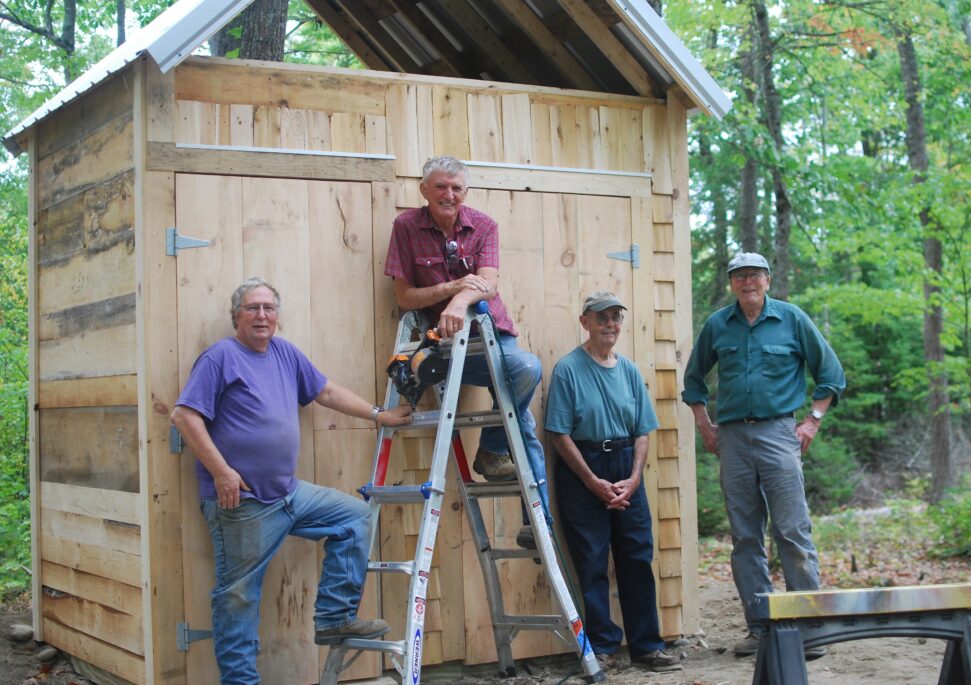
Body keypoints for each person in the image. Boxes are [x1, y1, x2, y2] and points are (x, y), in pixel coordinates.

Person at [171, 277, 412, 685]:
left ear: (277, 316)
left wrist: (378, 415)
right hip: (242, 503)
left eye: (268, 308)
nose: (261, 315)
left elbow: (327, 392)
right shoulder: (220, 358)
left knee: (354, 517)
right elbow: (183, 416)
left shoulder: (285, 353)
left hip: (288, 494)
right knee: (238, 599)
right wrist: (222, 471)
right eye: (252, 308)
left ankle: (334, 619)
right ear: (236, 316)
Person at [682, 252, 846, 659]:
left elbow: (831, 374)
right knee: (746, 537)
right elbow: (693, 379)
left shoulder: (791, 319)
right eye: (739, 276)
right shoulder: (718, 325)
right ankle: (761, 629)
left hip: (779, 433)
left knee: (792, 531)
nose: (747, 282)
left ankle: (809, 629)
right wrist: (705, 425)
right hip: (733, 438)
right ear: (732, 283)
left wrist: (811, 421)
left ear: (768, 280)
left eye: (754, 275)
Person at [384, 155, 547, 546]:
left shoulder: (485, 225)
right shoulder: (406, 226)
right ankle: (537, 522)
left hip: (491, 336)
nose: (449, 194)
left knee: (524, 371)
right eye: (440, 186)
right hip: (443, 346)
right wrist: (449, 291)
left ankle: (494, 453)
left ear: (466, 192)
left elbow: (487, 285)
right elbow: (405, 296)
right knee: (520, 419)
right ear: (424, 190)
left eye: (456, 188)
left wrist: (459, 304)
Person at [545, 292, 683, 673]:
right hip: (583, 466)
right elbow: (558, 434)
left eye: (616, 317)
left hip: (626, 465)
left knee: (637, 557)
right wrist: (591, 481)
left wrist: (634, 478)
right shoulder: (568, 370)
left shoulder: (630, 372)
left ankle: (646, 648)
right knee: (590, 561)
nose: (610, 324)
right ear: (585, 321)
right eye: (602, 317)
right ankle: (603, 648)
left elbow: (642, 431)